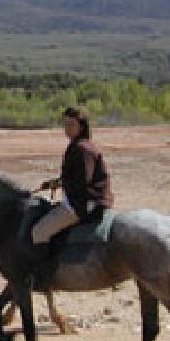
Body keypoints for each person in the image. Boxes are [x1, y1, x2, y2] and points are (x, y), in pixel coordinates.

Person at [32, 106, 113, 247]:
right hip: (86, 200)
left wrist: (62, 183)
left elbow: (83, 181)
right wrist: (56, 182)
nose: (67, 128)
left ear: (81, 126)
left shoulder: (82, 148)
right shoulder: (80, 145)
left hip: (84, 203)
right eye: (65, 124)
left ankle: (46, 269)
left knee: (39, 232)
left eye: (71, 124)